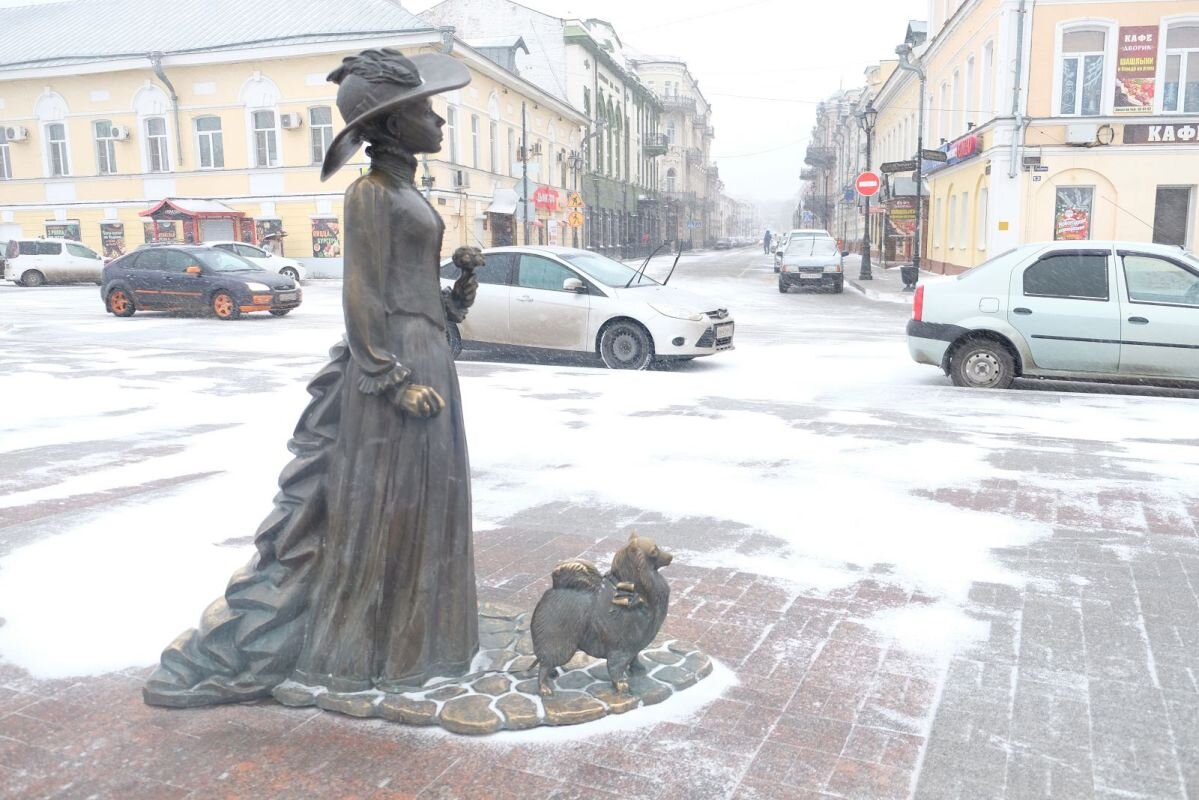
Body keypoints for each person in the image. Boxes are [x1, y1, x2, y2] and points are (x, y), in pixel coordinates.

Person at [144, 48, 482, 706]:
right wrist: (390, 377)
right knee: (394, 509)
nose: (438, 121)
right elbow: (363, 295)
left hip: (426, 351)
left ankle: (424, 646)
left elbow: (417, 292)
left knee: (428, 505)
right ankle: (371, 653)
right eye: (424, 109)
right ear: (391, 125)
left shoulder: (408, 192)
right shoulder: (370, 194)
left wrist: (461, 285)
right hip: (394, 369)